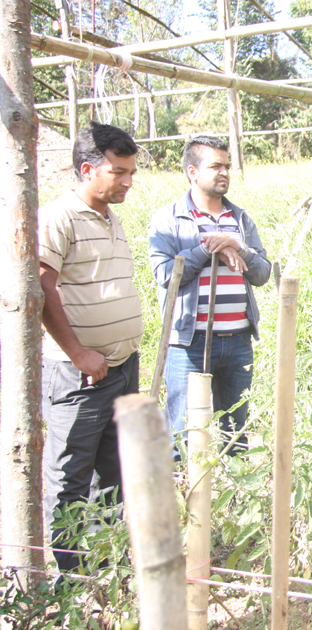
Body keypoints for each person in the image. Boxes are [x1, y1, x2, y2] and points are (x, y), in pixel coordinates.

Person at [38, 122, 144, 578]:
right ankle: (69, 582)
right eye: (118, 172)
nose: (127, 181)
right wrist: (79, 353)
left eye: (130, 172)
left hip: (120, 367)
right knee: (69, 477)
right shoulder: (57, 217)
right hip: (80, 374)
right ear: (87, 168)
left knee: (112, 474)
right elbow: (41, 289)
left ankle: (104, 569)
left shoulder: (109, 215)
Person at [148, 136, 271, 455]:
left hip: (239, 342)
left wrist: (237, 245)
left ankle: (233, 502)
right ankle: (184, 500)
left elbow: (262, 274)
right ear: (192, 171)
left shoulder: (241, 219)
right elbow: (164, 275)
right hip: (190, 343)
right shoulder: (170, 218)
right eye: (216, 166)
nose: (225, 172)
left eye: (227, 166)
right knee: (185, 434)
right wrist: (206, 248)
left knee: (235, 433)